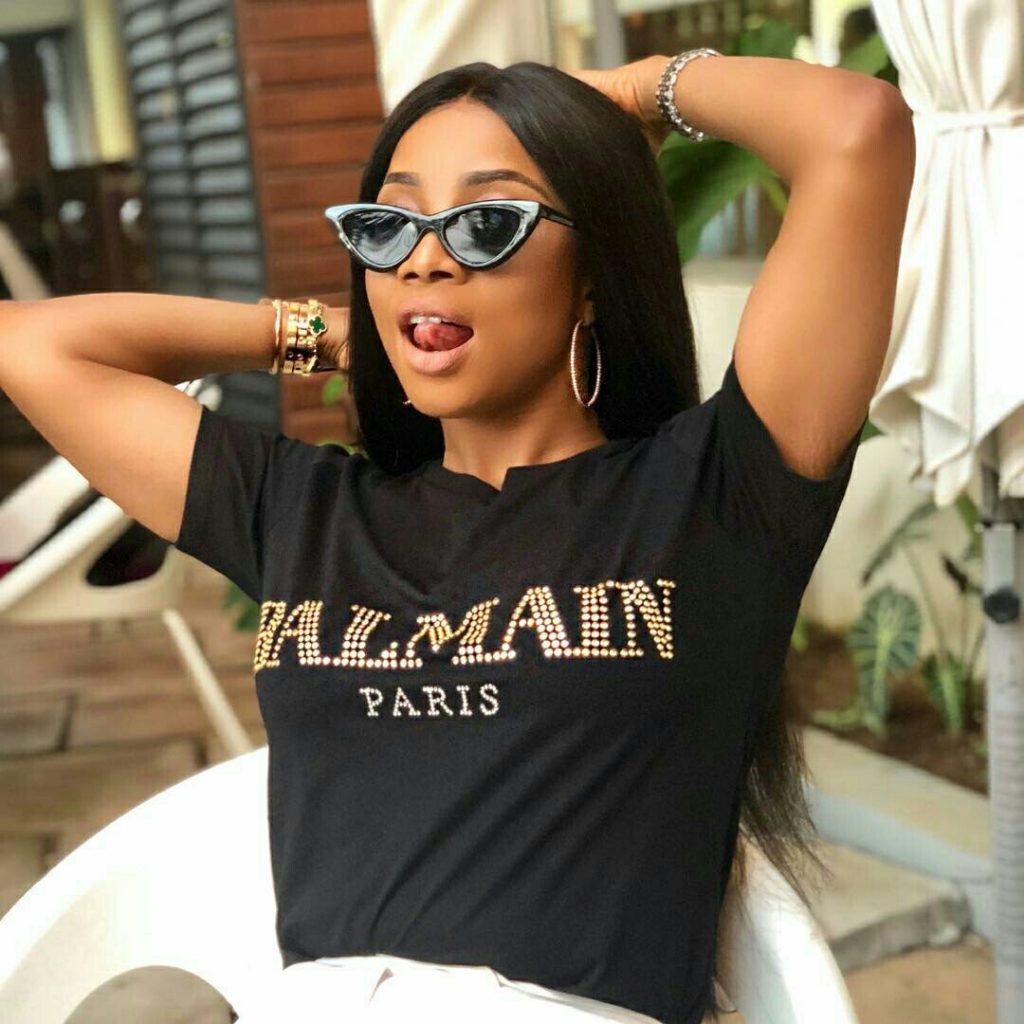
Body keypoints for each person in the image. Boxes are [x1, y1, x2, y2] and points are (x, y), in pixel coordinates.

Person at [0, 50, 915, 1024]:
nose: (424, 260)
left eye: (486, 223)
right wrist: (329, 332)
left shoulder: (711, 496)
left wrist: (626, 94)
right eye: (388, 226)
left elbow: (855, 131)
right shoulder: (307, 512)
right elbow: (31, 346)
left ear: (593, 274)